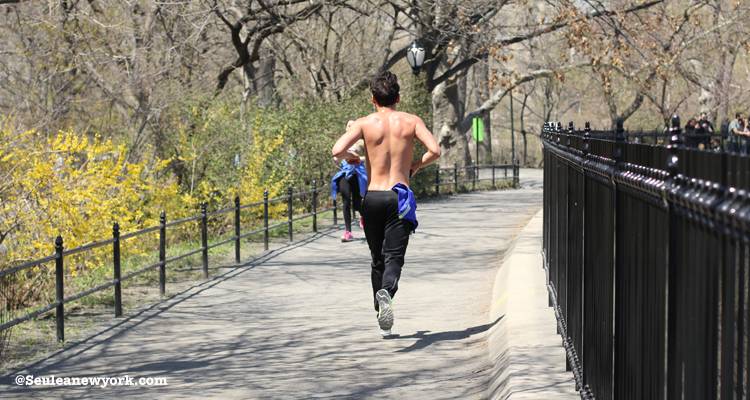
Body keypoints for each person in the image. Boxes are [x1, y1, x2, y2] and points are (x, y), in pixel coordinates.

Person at [331, 71, 441, 337]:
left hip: (373, 198)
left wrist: (352, 158)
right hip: (398, 195)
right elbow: (435, 150)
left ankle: (381, 313)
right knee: (395, 257)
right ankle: (387, 291)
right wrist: (415, 165)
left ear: (372, 99)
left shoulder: (364, 123)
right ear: (398, 98)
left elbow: (336, 151)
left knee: (377, 259)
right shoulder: (411, 121)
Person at [331, 138, 367, 242]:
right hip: (344, 175)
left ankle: (363, 216)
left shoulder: (360, 142)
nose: (349, 126)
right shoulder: (342, 142)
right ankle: (348, 232)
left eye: (351, 124)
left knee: (357, 203)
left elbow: (368, 157)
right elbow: (336, 158)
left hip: (357, 175)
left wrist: (359, 159)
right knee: (346, 201)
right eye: (348, 125)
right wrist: (337, 161)